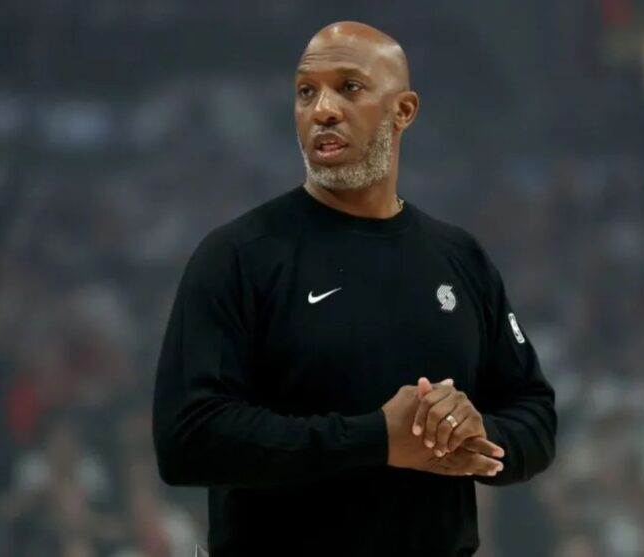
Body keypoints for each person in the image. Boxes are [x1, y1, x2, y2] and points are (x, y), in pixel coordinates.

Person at [152, 20, 557, 557]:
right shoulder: (238, 256)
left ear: (403, 111)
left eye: (349, 87)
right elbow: (188, 440)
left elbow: (535, 413)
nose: (321, 109)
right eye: (305, 91)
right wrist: (375, 439)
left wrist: (479, 435)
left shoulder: (461, 259)